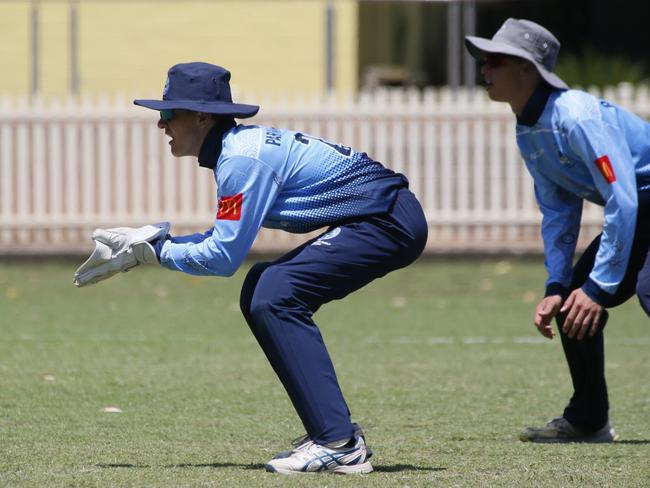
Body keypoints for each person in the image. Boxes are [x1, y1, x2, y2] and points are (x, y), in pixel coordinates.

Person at [73, 62, 428, 473]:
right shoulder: (237, 150)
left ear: (202, 117)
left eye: (169, 114)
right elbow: (225, 240)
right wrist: (154, 245)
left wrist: (151, 252)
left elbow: (223, 257)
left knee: (275, 294)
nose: (160, 124)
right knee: (265, 288)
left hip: (386, 221)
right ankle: (332, 435)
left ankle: (338, 443)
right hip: (385, 216)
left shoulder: (241, 160)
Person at [465, 18, 650, 443]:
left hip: (640, 202)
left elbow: (623, 198)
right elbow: (558, 211)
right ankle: (588, 420)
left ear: (528, 70)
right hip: (641, 209)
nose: (484, 69)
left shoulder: (577, 116)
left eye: (495, 60)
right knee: (571, 306)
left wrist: (600, 288)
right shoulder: (529, 129)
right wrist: (556, 282)